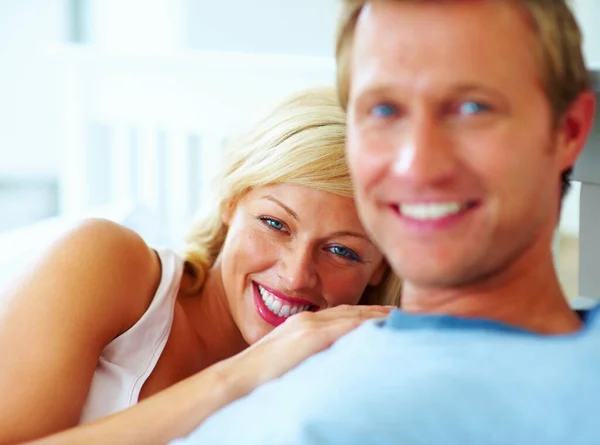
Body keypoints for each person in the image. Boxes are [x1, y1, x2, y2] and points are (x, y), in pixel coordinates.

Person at [175, 1, 600, 444]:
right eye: (383, 110)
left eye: (473, 108)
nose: (417, 164)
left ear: (568, 131)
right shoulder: (285, 408)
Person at [0, 86, 401, 444]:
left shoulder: (351, 380)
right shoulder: (105, 261)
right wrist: (237, 376)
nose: (296, 276)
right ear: (231, 203)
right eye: (275, 224)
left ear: (382, 266)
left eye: (341, 251)